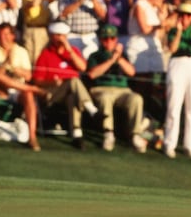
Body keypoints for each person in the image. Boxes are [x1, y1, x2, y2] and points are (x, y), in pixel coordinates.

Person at [32, 21, 105, 149]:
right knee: (74, 81)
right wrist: (52, 82)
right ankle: (91, 109)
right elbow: (37, 81)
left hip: (71, 94)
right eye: (58, 35)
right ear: (52, 36)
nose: (60, 39)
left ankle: (77, 135)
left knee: (73, 97)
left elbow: (82, 67)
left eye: (63, 36)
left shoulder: (73, 52)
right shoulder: (46, 54)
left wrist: (69, 50)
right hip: (53, 93)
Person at [85, 24, 147, 153]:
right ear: (101, 40)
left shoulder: (122, 55)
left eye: (112, 38)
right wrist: (111, 60)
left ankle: (135, 134)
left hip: (122, 90)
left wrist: (118, 59)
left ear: (116, 39)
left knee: (136, 98)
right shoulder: (95, 56)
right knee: (105, 98)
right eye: (105, 39)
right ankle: (108, 133)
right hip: (102, 88)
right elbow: (92, 74)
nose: (109, 42)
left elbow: (131, 72)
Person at [0, 24, 47, 151]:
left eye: (7, 34)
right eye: (1, 35)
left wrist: (17, 70)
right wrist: (6, 62)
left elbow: (28, 76)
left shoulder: (21, 51)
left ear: (13, 36)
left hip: (18, 90)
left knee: (28, 95)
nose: (4, 38)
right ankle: (33, 89)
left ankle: (32, 136)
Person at [163, 0, 191, 159]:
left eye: (189, 15)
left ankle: (190, 145)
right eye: (183, 15)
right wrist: (180, 31)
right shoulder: (174, 30)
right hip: (178, 63)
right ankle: (170, 143)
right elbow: (173, 48)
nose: (186, 18)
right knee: (174, 105)